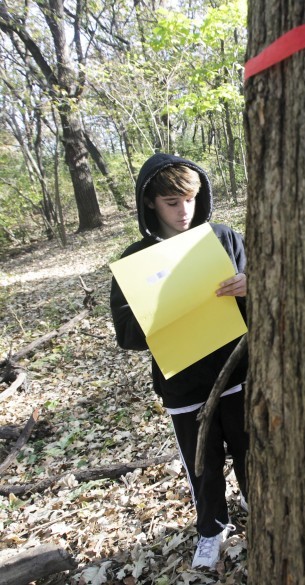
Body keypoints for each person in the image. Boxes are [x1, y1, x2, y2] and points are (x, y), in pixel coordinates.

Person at [110, 154, 249, 570]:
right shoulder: (136, 260)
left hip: (239, 372)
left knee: (250, 450)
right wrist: (153, 308)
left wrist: (252, 286)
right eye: (172, 201)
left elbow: (266, 297)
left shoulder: (223, 238)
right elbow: (127, 335)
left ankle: (258, 503)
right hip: (183, 385)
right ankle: (211, 527)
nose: (183, 210)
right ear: (150, 202)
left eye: (190, 198)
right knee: (201, 463)